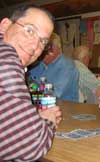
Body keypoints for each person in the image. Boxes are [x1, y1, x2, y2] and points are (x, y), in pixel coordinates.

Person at [0, 5, 62, 161]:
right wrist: (49, 119)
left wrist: (32, 118)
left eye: (42, 41)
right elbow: (32, 146)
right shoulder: (7, 58)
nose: (35, 46)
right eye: (29, 30)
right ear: (5, 25)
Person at [28, 33, 80, 102]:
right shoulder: (37, 65)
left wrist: (31, 93)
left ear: (54, 48)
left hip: (64, 109)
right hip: (41, 106)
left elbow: (53, 95)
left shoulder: (67, 66)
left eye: (43, 45)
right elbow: (28, 85)